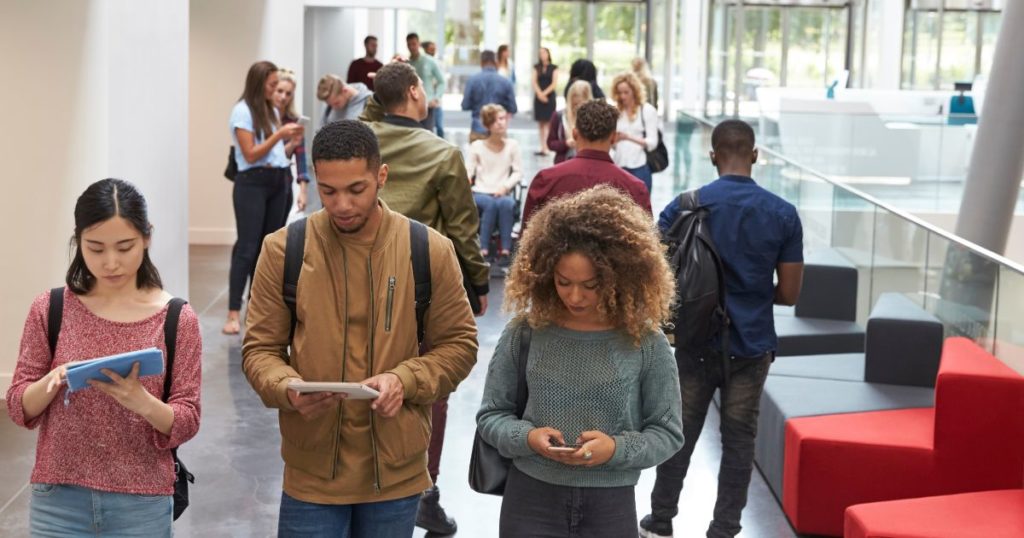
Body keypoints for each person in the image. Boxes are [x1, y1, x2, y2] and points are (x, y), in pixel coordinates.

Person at [242, 120, 478, 538]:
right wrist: (287, 387)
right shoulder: (283, 249)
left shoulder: (428, 250)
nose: (342, 205)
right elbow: (259, 349)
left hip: (395, 473)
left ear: (381, 177)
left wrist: (403, 379)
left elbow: (459, 345)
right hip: (311, 472)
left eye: (356, 189)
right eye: (328, 191)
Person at [477, 185, 684, 537]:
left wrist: (615, 449)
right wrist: (528, 438)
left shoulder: (645, 341)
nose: (575, 296)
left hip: (610, 506)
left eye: (590, 285)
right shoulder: (526, 332)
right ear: (544, 274)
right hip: (530, 499)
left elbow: (667, 433)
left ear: (619, 276)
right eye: (563, 282)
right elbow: (490, 415)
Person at [5, 178, 202, 537]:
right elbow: (19, 407)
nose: (111, 263)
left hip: (142, 503)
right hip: (57, 501)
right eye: (95, 249)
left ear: (147, 238)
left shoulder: (176, 319)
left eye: (125, 247)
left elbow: (186, 420)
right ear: (78, 241)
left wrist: (141, 401)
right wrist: (52, 382)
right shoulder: (50, 309)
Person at [640, 120, 804, 538]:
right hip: (751, 345)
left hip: (694, 342)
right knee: (738, 441)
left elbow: (656, 276)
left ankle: (660, 520)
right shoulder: (783, 214)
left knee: (678, 433)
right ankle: (724, 528)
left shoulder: (684, 205)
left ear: (713, 156)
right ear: (754, 155)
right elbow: (789, 293)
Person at [359, 61, 490, 535]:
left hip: (354, 279)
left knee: (359, 379)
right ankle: (423, 492)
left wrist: (386, 87)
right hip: (419, 289)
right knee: (426, 388)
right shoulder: (441, 152)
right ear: (415, 91)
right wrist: (477, 284)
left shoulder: (359, 139)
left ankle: (366, 486)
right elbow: (460, 229)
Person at [224, 61, 304, 335]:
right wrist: (281, 133)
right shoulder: (242, 111)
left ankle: (255, 308)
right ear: (259, 85)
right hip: (252, 183)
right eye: (272, 85)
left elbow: (275, 153)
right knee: (246, 248)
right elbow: (250, 154)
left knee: (268, 249)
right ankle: (233, 312)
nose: (276, 90)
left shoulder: (270, 110)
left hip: (278, 180)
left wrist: (291, 142)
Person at [523, 100, 651, 231]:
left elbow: (526, 240)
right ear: (613, 138)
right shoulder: (635, 188)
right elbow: (647, 243)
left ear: (574, 134)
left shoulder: (546, 180)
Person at [468, 104, 522, 265]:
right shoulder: (477, 146)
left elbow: (518, 172)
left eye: (503, 119)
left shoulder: (513, 145)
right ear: (488, 124)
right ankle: (484, 250)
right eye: (497, 119)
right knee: (491, 205)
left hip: (502, 190)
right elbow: (468, 171)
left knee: (506, 203)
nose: (501, 123)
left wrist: (505, 187)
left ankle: (505, 251)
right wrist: (466, 180)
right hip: (481, 191)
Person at [611, 72, 660, 194]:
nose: (622, 96)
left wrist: (628, 137)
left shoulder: (647, 110)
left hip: (640, 166)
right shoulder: (615, 111)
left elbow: (652, 142)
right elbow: (611, 144)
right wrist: (614, 140)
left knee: (641, 209)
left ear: (634, 91)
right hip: (619, 165)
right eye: (619, 92)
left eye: (626, 92)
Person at [274, 69, 310, 218]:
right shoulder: (262, 119)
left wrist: (303, 192)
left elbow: (300, 159)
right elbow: (268, 155)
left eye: (288, 93)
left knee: (275, 235)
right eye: (280, 91)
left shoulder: (293, 121)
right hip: (261, 183)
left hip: (283, 183)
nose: (283, 97)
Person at [462, 50, 517, 144]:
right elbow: (513, 108)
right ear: (496, 62)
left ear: (481, 63)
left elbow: (465, 105)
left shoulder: (472, 80)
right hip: (499, 132)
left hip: (477, 129)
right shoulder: (506, 82)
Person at [547, 79, 593, 164]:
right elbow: (550, 143)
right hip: (563, 162)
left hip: (586, 163)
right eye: (575, 104)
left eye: (581, 104)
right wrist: (565, 144)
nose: (577, 107)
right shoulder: (559, 116)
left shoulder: (593, 118)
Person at [406, 33, 445, 132]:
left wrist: (436, 98)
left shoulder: (430, 61)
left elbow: (441, 81)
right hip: (411, 107)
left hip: (427, 105)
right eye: (409, 44)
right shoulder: (406, 63)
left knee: (427, 135)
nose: (411, 47)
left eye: (414, 44)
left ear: (418, 44)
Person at [531, 47, 558, 156]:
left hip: (549, 97)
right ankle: (542, 146)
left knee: (548, 122)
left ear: (548, 54)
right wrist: (539, 94)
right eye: (540, 53)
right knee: (541, 123)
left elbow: (554, 83)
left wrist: (544, 94)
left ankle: (547, 146)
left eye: (544, 52)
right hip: (539, 97)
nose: (542, 55)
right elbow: (534, 81)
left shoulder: (554, 68)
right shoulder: (536, 67)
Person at [422, 41, 447, 138]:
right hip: (427, 102)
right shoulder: (423, 63)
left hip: (436, 101)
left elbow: (442, 81)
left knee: (439, 127)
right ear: (425, 50)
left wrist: (437, 97)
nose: (433, 51)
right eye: (431, 49)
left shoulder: (438, 64)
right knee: (428, 130)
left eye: (434, 49)